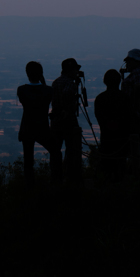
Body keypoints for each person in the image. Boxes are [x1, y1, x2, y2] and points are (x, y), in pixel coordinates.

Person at [17, 61, 61, 187]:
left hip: (27, 128)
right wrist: (43, 82)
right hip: (43, 128)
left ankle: (30, 187)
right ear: (41, 74)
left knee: (28, 161)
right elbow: (47, 96)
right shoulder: (48, 90)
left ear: (27, 73)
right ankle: (56, 182)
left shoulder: (21, 90)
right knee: (56, 152)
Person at [50, 58, 85, 186]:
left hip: (56, 120)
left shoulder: (55, 82)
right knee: (72, 149)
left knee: (55, 150)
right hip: (68, 119)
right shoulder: (70, 83)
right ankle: (71, 176)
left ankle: (56, 176)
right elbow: (67, 94)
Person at [93, 69, 131, 179]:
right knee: (121, 164)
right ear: (119, 81)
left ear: (105, 81)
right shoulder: (125, 98)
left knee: (107, 166)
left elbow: (99, 117)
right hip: (122, 137)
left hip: (106, 137)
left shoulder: (100, 98)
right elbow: (129, 117)